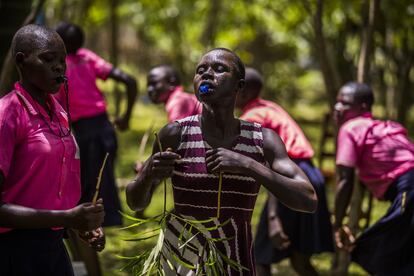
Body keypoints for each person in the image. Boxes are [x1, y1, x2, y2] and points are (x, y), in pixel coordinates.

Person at [126, 48, 317, 275]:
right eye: (200, 70)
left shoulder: (263, 140)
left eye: (219, 69)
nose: (207, 75)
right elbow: (135, 202)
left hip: (235, 256)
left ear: (240, 86)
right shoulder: (175, 134)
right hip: (182, 257)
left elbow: (308, 199)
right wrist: (149, 173)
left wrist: (248, 165)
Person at [0, 24, 105, 276]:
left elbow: (52, 186)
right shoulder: (7, 115)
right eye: (48, 59)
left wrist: (80, 223)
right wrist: (66, 217)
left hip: (54, 247)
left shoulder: (58, 113)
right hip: (13, 250)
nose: (59, 67)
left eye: (62, 60)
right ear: (21, 61)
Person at [55, 22, 137, 275]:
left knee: (82, 198)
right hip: (104, 130)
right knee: (92, 192)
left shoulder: (57, 65)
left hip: (83, 133)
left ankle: (90, 264)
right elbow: (128, 79)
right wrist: (125, 117)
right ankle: (85, 263)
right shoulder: (87, 57)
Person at [235, 68, 333, 276]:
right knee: (299, 259)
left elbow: (270, 169)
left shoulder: (253, 117)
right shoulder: (270, 108)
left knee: (259, 258)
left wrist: (273, 217)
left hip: (290, 177)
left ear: (242, 90)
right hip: (311, 175)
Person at [333, 82, 414, 275]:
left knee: (375, 250)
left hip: (410, 187)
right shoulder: (380, 128)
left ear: (362, 107)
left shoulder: (350, 128)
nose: (338, 108)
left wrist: (337, 223)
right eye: (337, 102)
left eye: (344, 103)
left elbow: (345, 179)